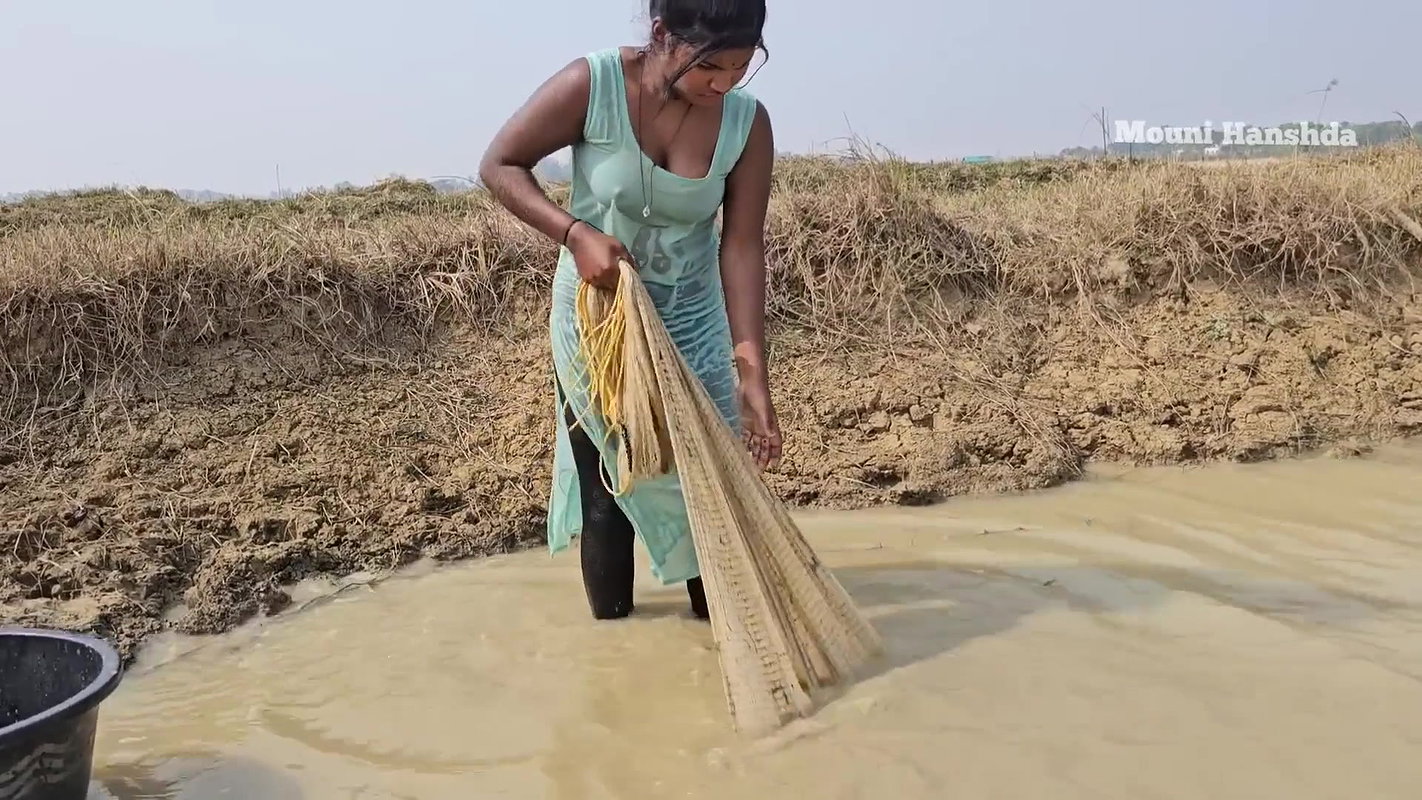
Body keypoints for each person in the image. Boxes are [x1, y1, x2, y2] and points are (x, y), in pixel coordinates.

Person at [479, 0, 781, 622]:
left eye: (739, 68)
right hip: (598, 321)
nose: (722, 84)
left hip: (692, 320)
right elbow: (499, 165)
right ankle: (614, 634)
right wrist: (574, 234)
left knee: (709, 487)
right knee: (607, 488)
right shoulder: (592, 86)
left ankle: (723, 632)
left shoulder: (747, 125)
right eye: (709, 67)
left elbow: (743, 249)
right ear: (662, 35)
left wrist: (752, 370)